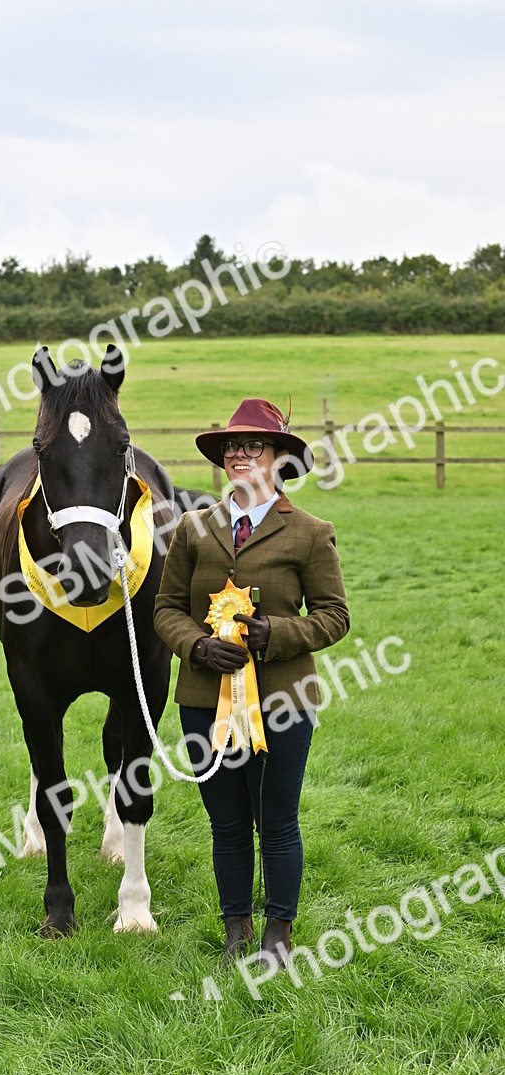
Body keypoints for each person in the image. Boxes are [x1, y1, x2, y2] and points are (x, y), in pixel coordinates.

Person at [153, 397, 350, 967]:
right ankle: (236, 926)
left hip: (284, 701)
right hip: (201, 702)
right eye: (231, 447)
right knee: (228, 822)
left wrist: (277, 635)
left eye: (252, 445)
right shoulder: (191, 529)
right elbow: (167, 607)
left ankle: (278, 933)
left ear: (279, 459)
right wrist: (195, 645)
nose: (239, 454)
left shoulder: (311, 533)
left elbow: (335, 616)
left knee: (278, 820)